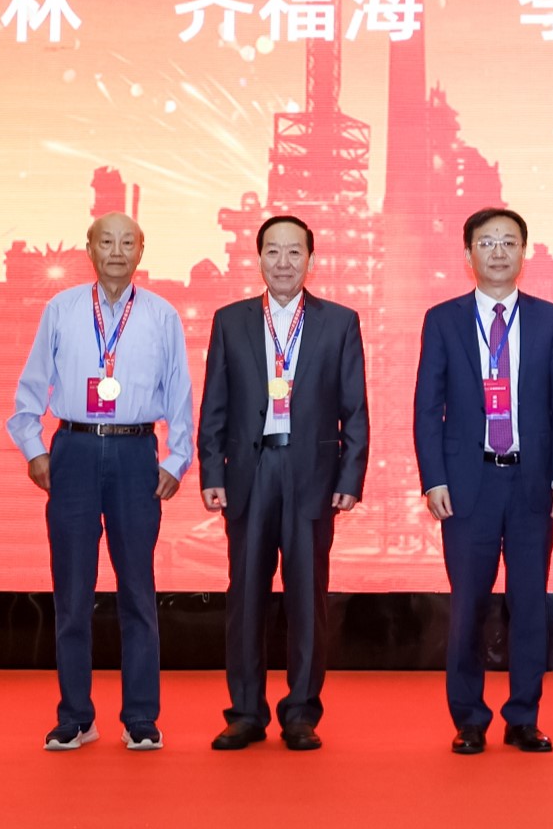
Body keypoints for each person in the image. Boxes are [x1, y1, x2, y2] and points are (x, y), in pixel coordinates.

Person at [7, 212, 193, 752]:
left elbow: (180, 392)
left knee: (138, 589)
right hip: (75, 450)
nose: (116, 251)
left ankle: (141, 717)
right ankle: (75, 717)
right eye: (106, 241)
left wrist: (177, 458)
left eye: (127, 242)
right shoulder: (61, 309)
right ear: (88, 249)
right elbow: (31, 387)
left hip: (137, 453)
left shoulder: (161, 315)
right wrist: (35, 449)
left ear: (141, 251)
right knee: (72, 592)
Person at [197, 213, 369, 751]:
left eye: (295, 252)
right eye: (273, 251)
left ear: (310, 259)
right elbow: (214, 404)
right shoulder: (231, 321)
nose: (284, 262)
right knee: (245, 596)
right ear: (258, 258)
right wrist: (211, 471)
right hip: (249, 474)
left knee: (307, 599)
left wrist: (351, 474)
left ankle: (300, 712)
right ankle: (246, 712)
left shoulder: (340, 322)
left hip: (311, 474)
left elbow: (355, 409)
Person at [413, 207, 553, 754]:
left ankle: (523, 716)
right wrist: (434, 478)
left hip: (531, 483)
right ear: (468, 255)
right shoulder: (443, 319)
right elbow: (427, 408)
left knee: (529, 605)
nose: (499, 251)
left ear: (523, 253)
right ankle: (468, 718)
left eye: (509, 241)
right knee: (468, 606)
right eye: (487, 243)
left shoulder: (549, 319)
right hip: (468, 485)